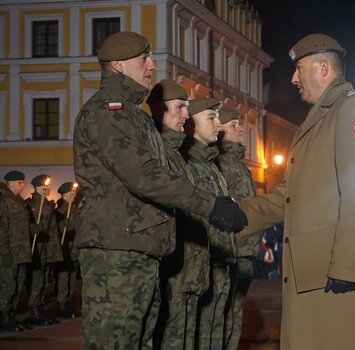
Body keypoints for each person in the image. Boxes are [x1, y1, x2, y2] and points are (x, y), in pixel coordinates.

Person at [72, 31, 246, 350]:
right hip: (117, 251)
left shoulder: (132, 115)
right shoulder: (109, 111)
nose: (152, 65)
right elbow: (146, 176)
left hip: (137, 248)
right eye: (143, 59)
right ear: (119, 66)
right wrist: (212, 206)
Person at [238, 33, 355, 350]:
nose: (294, 78)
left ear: (323, 68)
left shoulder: (352, 109)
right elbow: (287, 196)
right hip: (317, 273)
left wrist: (347, 268)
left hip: (340, 274)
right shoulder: (320, 119)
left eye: (300, 68)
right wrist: (233, 215)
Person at [147, 80, 210, 349]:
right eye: (180, 107)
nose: (186, 114)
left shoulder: (175, 153)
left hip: (187, 267)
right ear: (160, 110)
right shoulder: (157, 152)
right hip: (172, 269)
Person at [181, 98, 235, 349]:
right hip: (197, 266)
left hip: (219, 262)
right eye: (211, 118)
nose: (218, 124)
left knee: (214, 333)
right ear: (191, 124)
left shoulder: (211, 165)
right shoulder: (186, 165)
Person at [216, 107, 263, 350]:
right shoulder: (222, 164)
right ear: (220, 130)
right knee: (223, 320)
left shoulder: (237, 164)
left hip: (244, 251)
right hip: (231, 253)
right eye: (233, 124)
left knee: (234, 318)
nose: (240, 128)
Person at [25, 174, 63, 326]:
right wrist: (31, 229)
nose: (46, 189)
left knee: (43, 280)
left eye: (47, 186)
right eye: (43, 187)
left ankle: (40, 309)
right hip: (37, 248)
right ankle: (34, 311)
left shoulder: (47, 204)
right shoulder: (31, 204)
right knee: (36, 280)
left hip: (48, 247)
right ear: (36, 188)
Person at [0, 171, 32, 331]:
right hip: (9, 252)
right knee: (8, 286)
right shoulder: (4, 201)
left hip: (21, 251)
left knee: (18, 285)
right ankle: (4, 317)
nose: (22, 185)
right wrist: (4, 252)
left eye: (22, 182)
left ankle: (11, 315)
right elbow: (2, 229)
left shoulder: (19, 201)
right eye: (19, 182)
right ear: (9, 183)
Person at [54, 182, 81, 319]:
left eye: (74, 192)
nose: (74, 195)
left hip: (74, 248)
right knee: (64, 278)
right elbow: (59, 230)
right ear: (64, 194)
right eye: (72, 193)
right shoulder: (60, 210)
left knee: (71, 277)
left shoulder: (74, 209)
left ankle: (67, 303)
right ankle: (62, 304)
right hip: (66, 248)